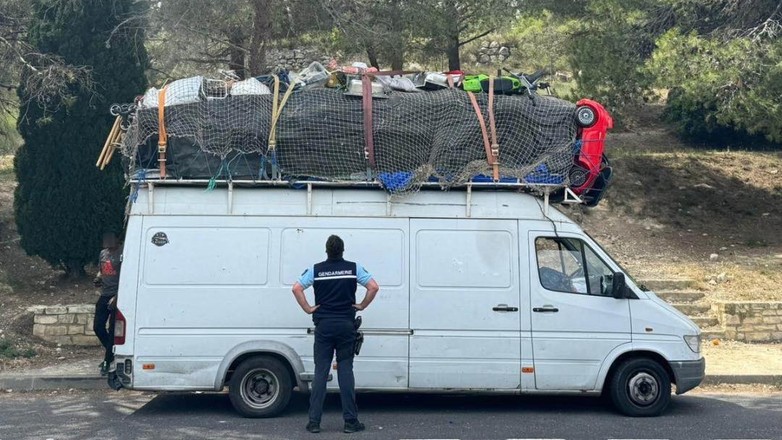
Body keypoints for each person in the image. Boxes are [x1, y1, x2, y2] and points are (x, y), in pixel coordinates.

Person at [292, 235, 380, 434]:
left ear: (326, 250)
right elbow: (373, 286)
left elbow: (296, 288)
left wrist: (308, 308)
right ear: (342, 250)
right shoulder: (353, 268)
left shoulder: (316, 270)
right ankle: (350, 422)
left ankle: (314, 422)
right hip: (346, 326)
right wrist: (362, 305)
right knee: (345, 371)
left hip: (323, 326)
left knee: (321, 372)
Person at [93, 232, 122, 376]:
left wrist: (118, 296)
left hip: (117, 295)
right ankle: (112, 353)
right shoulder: (103, 253)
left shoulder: (123, 253)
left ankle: (106, 361)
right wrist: (98, 278)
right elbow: (101, 270)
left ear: (117, 239)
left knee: (112, 329)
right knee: (98, 327)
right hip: (104, 294)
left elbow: (126, 276)